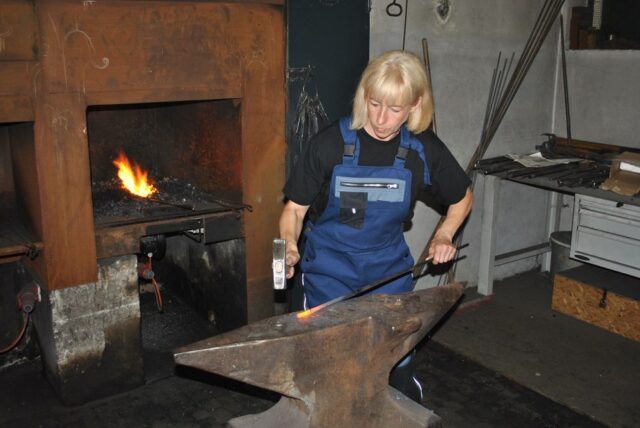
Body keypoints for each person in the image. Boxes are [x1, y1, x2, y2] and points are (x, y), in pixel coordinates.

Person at [278, 49, 473, 402]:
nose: (381, 119)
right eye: (375, 104)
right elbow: (294, 209)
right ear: (363, 97)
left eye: (395, 109)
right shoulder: (330, 143)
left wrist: (444, 234)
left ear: (414, 106)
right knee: (326, 365)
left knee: (395, 365)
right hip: (329, 272)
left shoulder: (421, 149)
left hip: (389, 272)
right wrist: (290, 244)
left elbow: (462, 197)